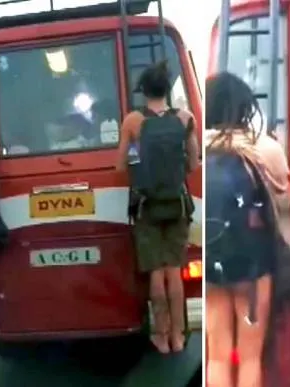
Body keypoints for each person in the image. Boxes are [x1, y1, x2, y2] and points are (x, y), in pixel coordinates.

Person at [204, 72, 290, 387]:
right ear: (244, 108)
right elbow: (285, 202)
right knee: (250, 357)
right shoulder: (262, 147)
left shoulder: (198, 149)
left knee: (216, 356)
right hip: (252, 266)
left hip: (211, 260)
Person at [115, 61, 200, 353]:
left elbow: (119, 164)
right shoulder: (185, 118)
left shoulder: (133, 122)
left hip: (147, 206)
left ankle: (161, 336)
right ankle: (178, 336)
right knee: (174, 271)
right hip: (177, 204)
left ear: (143, 91)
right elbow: (194, 162)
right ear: (167, 89)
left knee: (155, 272)